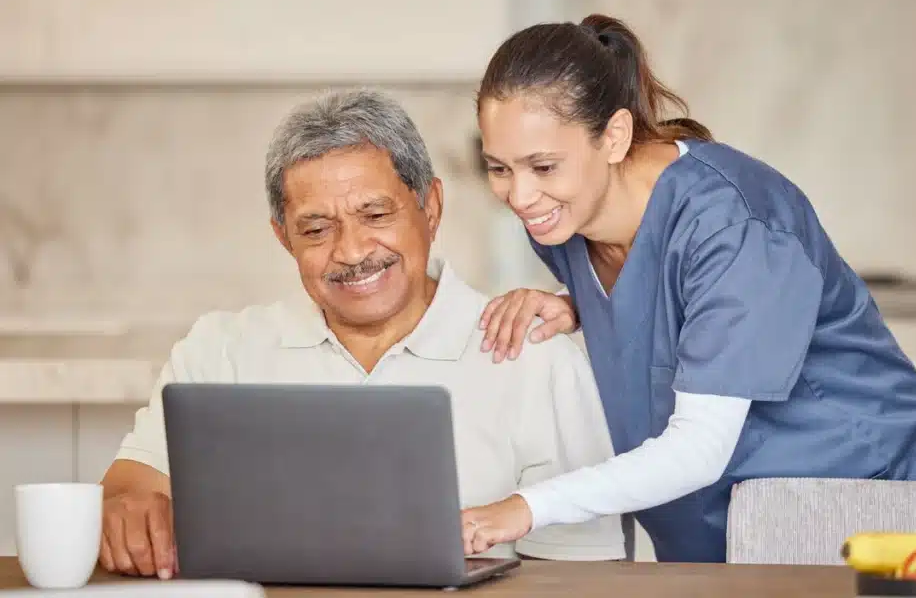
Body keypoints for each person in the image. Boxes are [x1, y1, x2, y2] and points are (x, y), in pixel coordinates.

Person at [459, 14, 916, 563]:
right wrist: (575, 307)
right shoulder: (564, 223)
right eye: (499, 168)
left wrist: (523, 508)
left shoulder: (734, 222)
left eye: (543, 166)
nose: (520, 196)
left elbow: (698, 447)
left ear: (615, 137)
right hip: (708, 526)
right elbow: (662, 302)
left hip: (847, 501)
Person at [98, 89, 626, 580]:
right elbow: (131, 483)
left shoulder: (533, 356)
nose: (351, 252)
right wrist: (126, 507)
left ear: (431, 208)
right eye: (316, 230)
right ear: (283, 238)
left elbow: (578, 575)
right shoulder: (220, 350)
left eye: (375, 214)